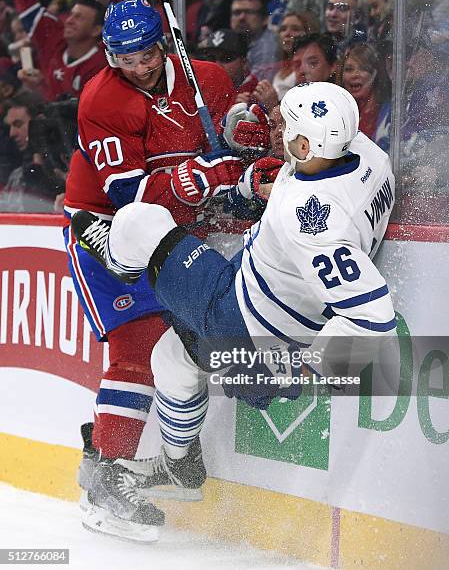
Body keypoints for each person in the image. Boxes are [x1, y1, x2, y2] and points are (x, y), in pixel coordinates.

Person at [72, 81, 396, 511]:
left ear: (304, 144)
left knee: (139, 221)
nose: (274, 129)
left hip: (238, 323)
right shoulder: (368, 156)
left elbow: (373, 320)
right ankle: (180, 468)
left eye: (284, 126)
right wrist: (263, 180)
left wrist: (298, 373)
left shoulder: (311, 220)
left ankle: (118, 258)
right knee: (171, 357)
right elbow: (314, 171)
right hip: (269, 321)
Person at [63, 0, 242, 543]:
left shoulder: (206, 78)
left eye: (145, 53)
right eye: (123, 57)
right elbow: (129, 199)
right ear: (108, 54)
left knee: (187, 340)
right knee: (138, 343)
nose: (137, 67)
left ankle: (176, 458)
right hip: (106, 223)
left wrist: (248, 139)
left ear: (162, 44)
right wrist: (202, 176)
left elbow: (234, 149)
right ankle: (107, 477)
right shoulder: (101, 99)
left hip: (175, 223)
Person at [8, 0, 107, 102]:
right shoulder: (53, 39)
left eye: (79, 17)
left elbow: (75, 118)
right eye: (71, 15)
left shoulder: (101, 68)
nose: (69, 20)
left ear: (96, 30)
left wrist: (41, 87)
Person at [230, 0, 281, 81]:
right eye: (237, 12)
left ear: (265, 19)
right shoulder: (241, 41)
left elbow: (257, 87)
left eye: (249, 12)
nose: (241, 17)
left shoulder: (267, 46)